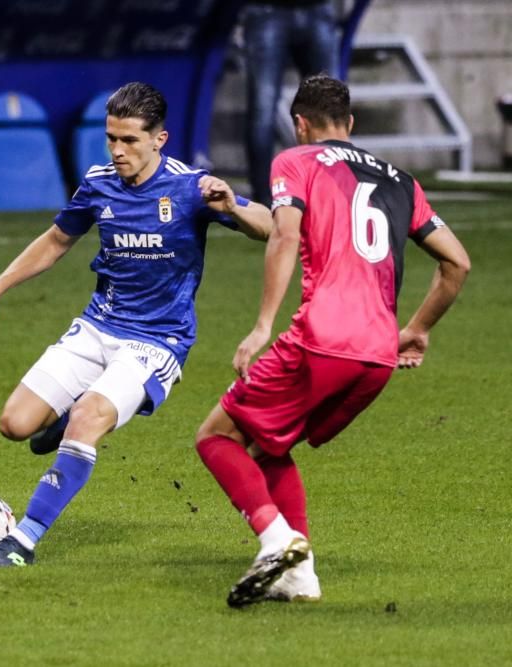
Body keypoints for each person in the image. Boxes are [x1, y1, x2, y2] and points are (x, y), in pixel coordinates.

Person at [0, 82, 273, 569]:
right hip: (97, 326)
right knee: (14, 425)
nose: (118, 150)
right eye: (111, 139)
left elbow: (273, 227)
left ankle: (23, 541)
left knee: (90, 417)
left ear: (159, 139)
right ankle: (60, 422)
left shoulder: (191, 188)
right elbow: (57, 240)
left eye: (129, 141)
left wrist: (232, 206)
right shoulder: (99, 182)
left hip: (157, 341)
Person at [194, 75, 471, 607]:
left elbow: (284, 233)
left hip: (322, 339)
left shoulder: (295, 162)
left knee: (217, 437)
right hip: (377, 356)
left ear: (300, 124)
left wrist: (261, 324)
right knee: (269, 442)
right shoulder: (403, 182)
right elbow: (457, 263)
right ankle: (300, 577)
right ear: (351, 125)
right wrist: (416, 331)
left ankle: (279, 543)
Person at [243, 0, 339, 206]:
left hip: (318, 9)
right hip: (266, 11)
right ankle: (264, 199)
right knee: (263, 110)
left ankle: (330, 190)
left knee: (330, 107)